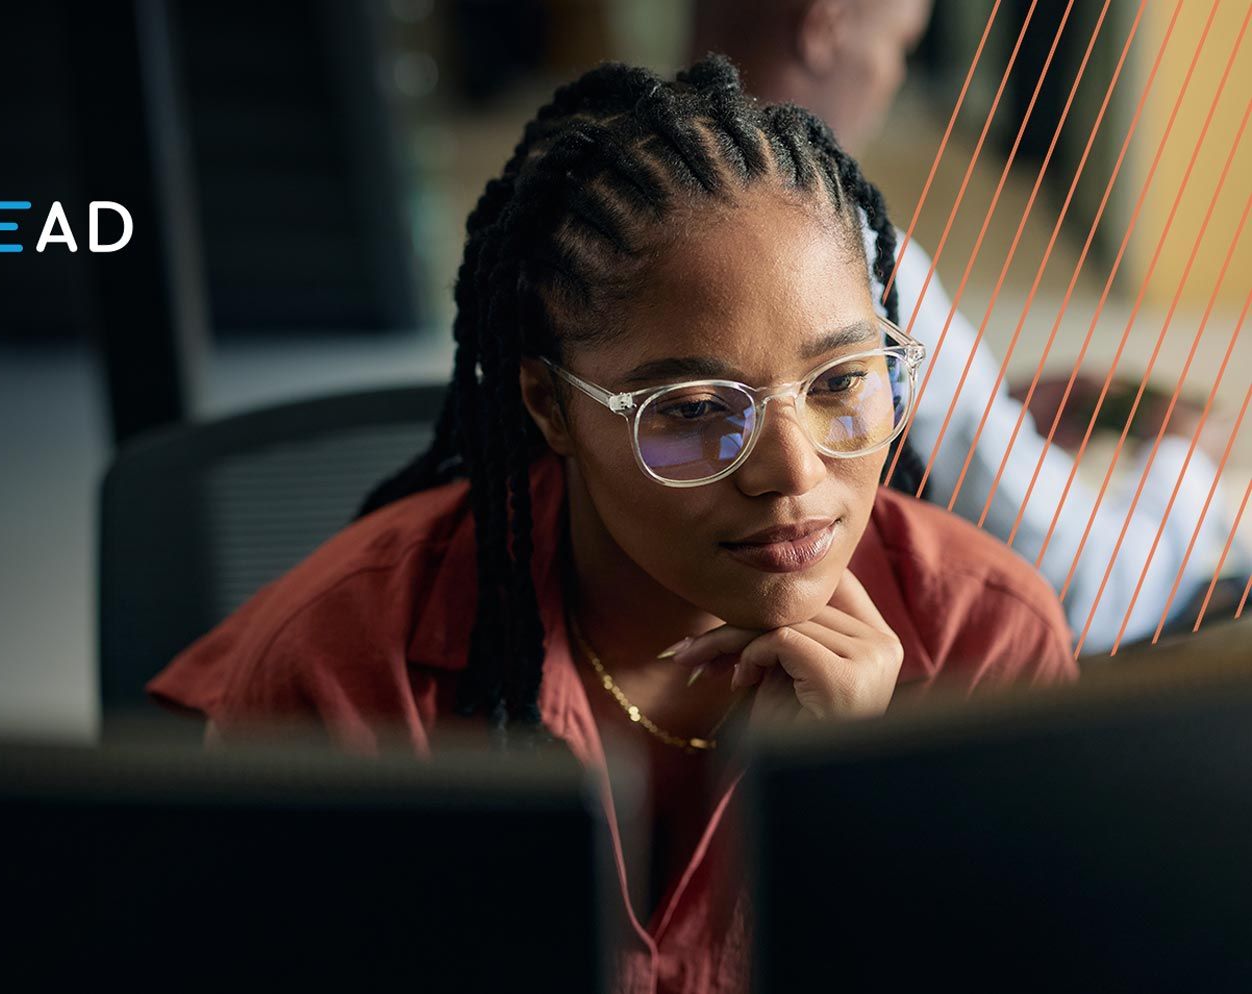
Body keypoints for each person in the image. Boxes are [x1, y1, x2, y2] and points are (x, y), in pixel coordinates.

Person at [148, 57, 1076, 994]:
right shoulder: (342, 672)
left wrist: (852, 799)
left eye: (840, 383)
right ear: (550, 407)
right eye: (694, 407)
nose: (795, 475)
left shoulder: (988, 645)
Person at [691, 0, 1244, 652]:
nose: (893, 77)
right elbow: (1082, 586)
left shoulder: (618, 205)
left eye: (842, 382)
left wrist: (988, 412)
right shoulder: (853, 259)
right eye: (900, 43)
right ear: (826, 25)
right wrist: (1188, 464)